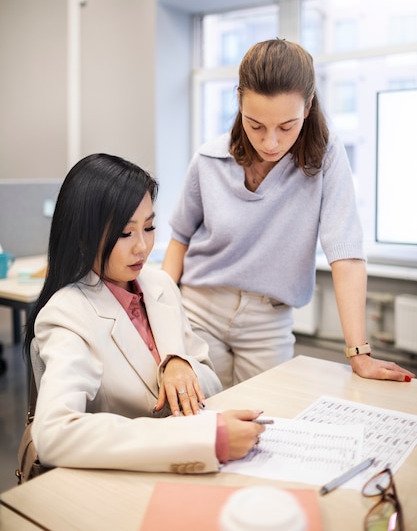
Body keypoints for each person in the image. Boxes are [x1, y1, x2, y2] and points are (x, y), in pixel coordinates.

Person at [162, 38, 415, 389]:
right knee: (200, 421)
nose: (270, 143)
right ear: (239, 102)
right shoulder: (209, 159)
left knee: (267, 421)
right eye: (255, 125)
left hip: (270, 319)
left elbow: (345, 252)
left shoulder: (327, 156)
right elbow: (180, 240)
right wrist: (159, 320)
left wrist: (359, 352)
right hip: (199, 309)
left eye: (286, 127)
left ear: (308, 106)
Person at [23, 153, 265, 473]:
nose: (143, 247)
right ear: (83, 238)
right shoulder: (67, 314)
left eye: (149, 227)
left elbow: (211, 383)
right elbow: (55, 434)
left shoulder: (160, 285)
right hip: (119, 480)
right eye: (126, 233)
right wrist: (205, 439)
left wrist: (178, 362)